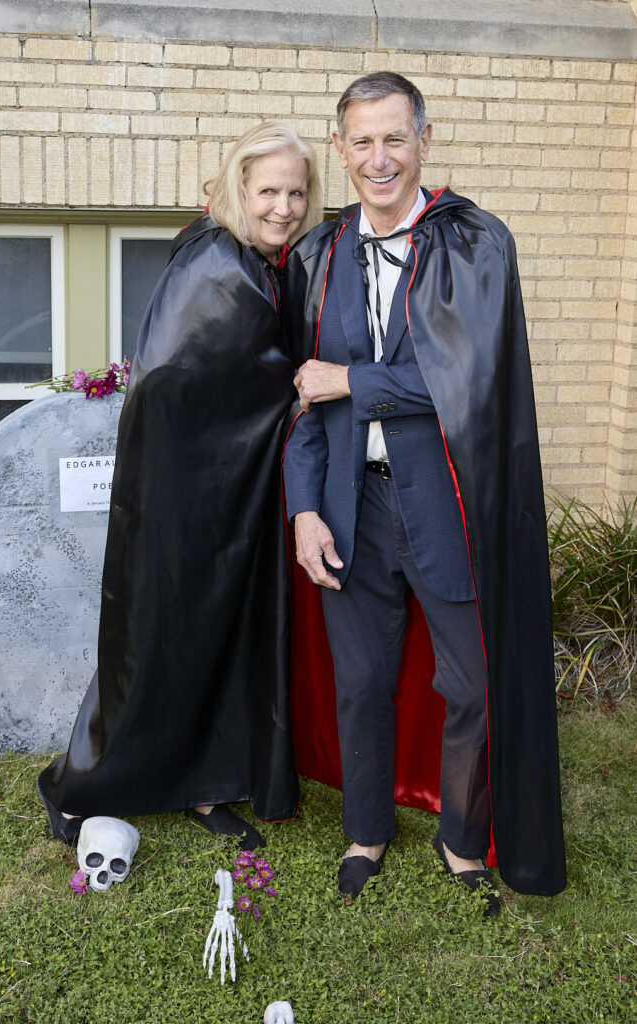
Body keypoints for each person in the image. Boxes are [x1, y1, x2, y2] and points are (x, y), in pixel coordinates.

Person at [282, 73, 566, 910]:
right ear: (341, 150)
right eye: (362, 141)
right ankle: (365, 831)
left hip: (448, 505)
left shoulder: (475, 243)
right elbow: (302, 402)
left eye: (394, 139)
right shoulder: (318, 254)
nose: (379, 159)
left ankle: (461, 837)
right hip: (350, 505)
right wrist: (304, 510)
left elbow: (469, 382)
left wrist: (351, 380)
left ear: (424, 141)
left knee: (471, 686)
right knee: (360, 683)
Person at [37, 122, 323, 851]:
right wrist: (294, 387)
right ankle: (80, 787)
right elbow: (175, 379)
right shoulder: (216, 265)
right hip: (183, 495)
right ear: (238, 188)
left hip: (230, 491)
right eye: (268, 190)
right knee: (156, 644)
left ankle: (204, 785)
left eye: (296, 192)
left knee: (219, 639)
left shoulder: (260, 261)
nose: (284, 206)